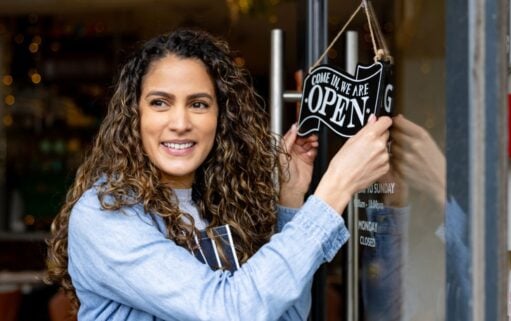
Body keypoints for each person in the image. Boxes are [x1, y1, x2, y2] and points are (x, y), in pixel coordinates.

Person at [45, 28, 393, 321]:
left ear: (220, 118)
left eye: (198, 104)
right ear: (134, 116)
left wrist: (290, 200)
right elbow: (228, 311)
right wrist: (335, 188)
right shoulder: (105, 215)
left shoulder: (216, 205)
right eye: (160, 102)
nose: (180, 123)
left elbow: (286, 315)